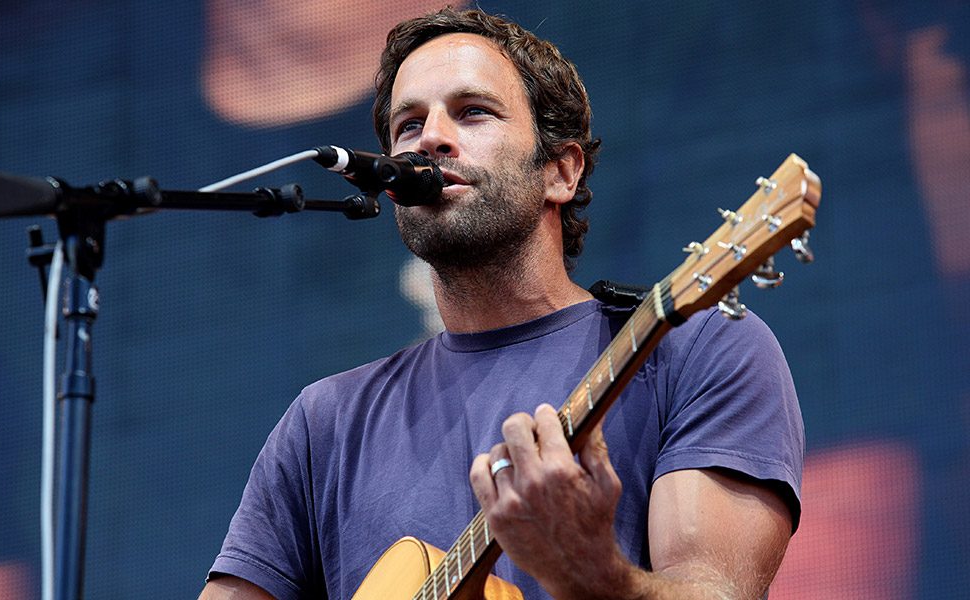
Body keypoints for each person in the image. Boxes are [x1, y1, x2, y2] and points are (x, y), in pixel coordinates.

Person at [200, 8, 803, 600]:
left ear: (560, 172)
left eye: (473, 112)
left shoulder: (696, 348)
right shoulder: (324, 423)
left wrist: (592, 574)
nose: (431, 137)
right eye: (408, 126)